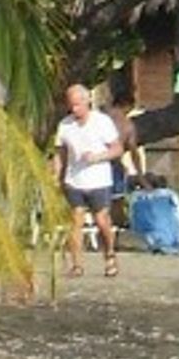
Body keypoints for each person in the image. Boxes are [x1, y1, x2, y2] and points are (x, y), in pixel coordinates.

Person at [55, 83, 125, 277]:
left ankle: (109, 256)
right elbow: (60, 153)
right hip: (74, 180)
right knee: (75, 221)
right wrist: (57, 176)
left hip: (98, 180)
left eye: (78, 104)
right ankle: (77, 264)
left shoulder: (102, 122)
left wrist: (98, 157)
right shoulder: (65, 125)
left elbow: (117, 148)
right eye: (71, 105)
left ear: (87, 102)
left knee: (101, 220)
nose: (74, 109)